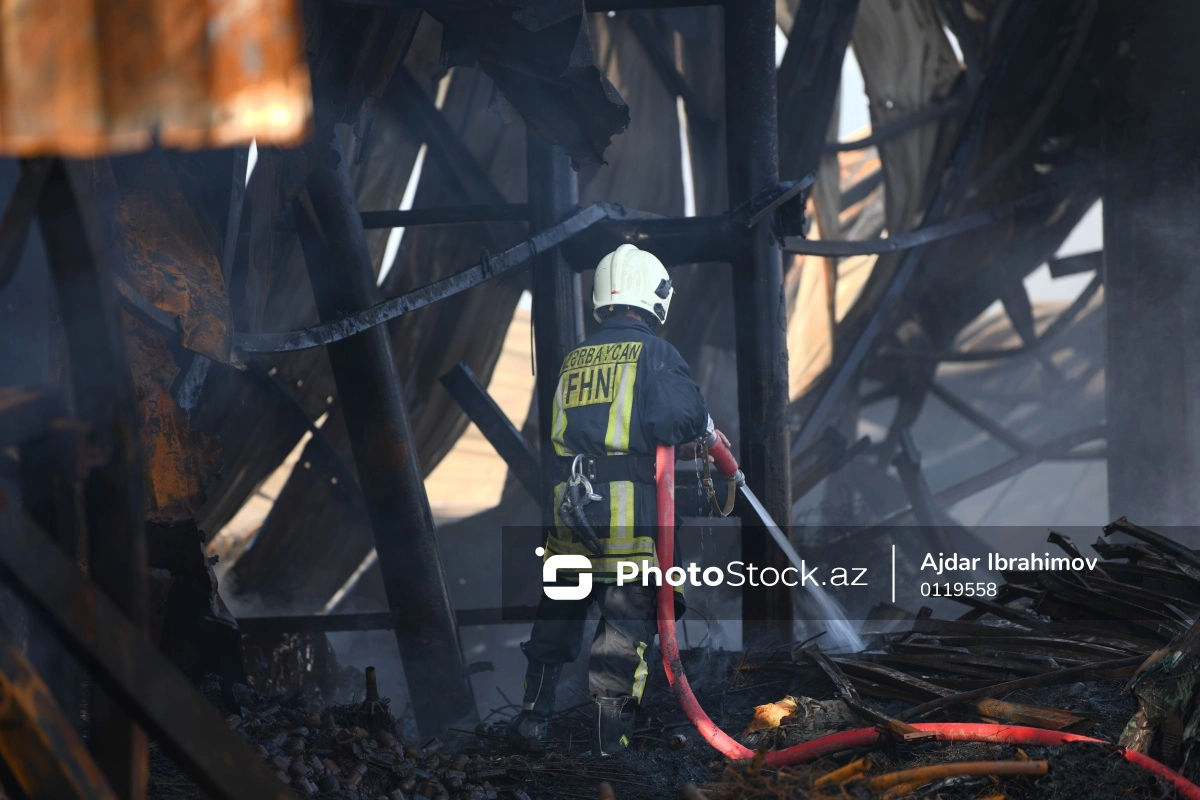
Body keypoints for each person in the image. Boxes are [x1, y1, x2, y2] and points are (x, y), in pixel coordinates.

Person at [506, 243, 731, 757]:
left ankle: (530, 723)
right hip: (624, 520)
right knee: (622, 631)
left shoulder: (574, 358)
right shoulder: (655, 353)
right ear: (655, 299)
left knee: (557, 616)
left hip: (569, 514)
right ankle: (614, 744)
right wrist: (707, 426)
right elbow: (672, 420)